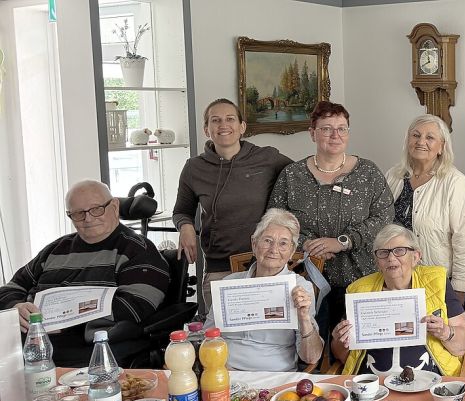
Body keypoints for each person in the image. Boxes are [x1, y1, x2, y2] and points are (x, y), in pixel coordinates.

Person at [0, 180, 169, 366]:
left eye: (96, 209)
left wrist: (63, 320)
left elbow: (135, 306)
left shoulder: (137, 250)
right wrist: (16, 306)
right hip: (29, 344)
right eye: (78, 214)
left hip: (88, 347)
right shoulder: (55, 250)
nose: (88, 219)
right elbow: (11, 287)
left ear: (114, 206)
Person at [267, 101, 394, 340]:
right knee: (310, 350)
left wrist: (343, 241)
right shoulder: (292, 175)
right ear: (312, 133)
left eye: (342, 128)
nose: (335, 135)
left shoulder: (368, 173)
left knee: (354, 351)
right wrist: (307, 244)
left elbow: (385, 218)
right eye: (326, 129)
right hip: (305, 282)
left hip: (361, 280)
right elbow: (275, 221)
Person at [171, 98, 292, 315]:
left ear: (242, 127)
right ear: (206, 129)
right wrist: (186, 227)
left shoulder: (267, 158)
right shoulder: (194, 168)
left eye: (230, 119)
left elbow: (300, 177)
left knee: (267, 337)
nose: (223, 125)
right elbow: (182, 211)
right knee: (221, 338)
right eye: (215, 120)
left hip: (266, 264)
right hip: (220, 268)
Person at [330, 225, 465, 376]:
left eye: (399, 251)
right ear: (377, 262)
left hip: (430, 381)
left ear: (416, 257)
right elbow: (341, 355)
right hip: (373, 384)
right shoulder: (359, 290)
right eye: (383, 253)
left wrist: (445, 332)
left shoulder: (437, 282)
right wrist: (341, 341)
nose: (391, 258)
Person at [204, 209, 323, 371]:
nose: (274, 250)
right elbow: (207, 336)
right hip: (225, 374)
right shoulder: (229, 283)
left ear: (291, 252)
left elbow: (311, 357)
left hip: (276, 377)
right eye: (267, 241)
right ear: (254, 244)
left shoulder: (300, 287)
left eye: (283, 243)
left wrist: (304, 317)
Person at [385, 114, 465, 302]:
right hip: (393, 281)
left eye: (430, 137)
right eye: (416, 135)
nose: (421, 142)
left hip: (438, 282)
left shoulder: (455, 183)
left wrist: (459, 292)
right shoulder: (393, 176)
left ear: (442, 146)